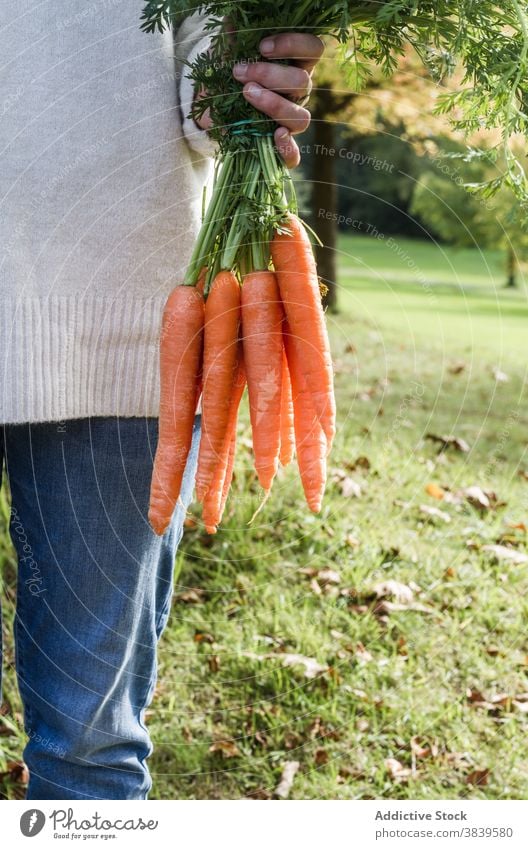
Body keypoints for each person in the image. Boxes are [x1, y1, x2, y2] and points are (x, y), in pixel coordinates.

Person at [0, 4, 323, 800]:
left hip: (110, 326)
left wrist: (248, 82)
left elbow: (203, 83)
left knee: (87, 743)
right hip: (118, 321)